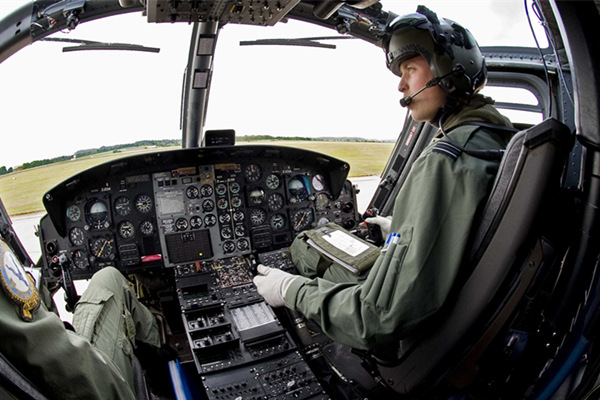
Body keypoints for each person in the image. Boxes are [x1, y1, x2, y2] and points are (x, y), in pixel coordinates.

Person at [253, 6, 514, 351]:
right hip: (459, 306)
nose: (401, 85)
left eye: (410, 70)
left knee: (305, 243)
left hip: (410, 330)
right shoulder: (494, 138)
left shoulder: (447, 159)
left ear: (446, 70)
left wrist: (290, 290)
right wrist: (404, 228)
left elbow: (377, 317)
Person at [0, 238, 162, 399]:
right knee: (109, 277)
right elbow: (46, 348)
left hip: (57, 378)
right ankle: (160, 373)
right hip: (90, 386)